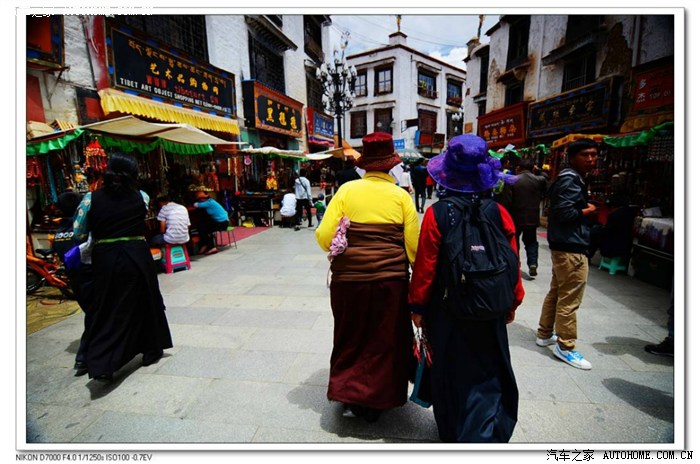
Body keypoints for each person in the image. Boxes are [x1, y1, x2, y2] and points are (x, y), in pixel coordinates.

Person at [408, 134, 524, 443]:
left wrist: (418, 307)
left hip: (448, 311)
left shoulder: (438, 213)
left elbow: (425, 266)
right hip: (491, 307)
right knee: (488, 368)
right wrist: (513, 301)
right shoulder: (499, 212)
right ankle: (488, 431)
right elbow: (512, 261)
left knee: (451, 369)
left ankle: (456, 431)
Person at [315, 132, 419, 423]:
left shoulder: (347, 191)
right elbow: (414, 246)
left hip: (348, 282)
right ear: (391, 164)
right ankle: (377, 399)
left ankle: (349, 396)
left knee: (349, 335)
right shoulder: (401, 196)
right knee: (385, 339)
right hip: (391, 282)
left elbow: (324, 236)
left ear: (365, 164)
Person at [73, 152, 173, 381]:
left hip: (106, 257)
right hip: (138, 255)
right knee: (146, 302)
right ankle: (151, 349)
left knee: (108, 307)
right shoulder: (142, 197)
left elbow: (79, 231)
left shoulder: (90, 199)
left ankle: (103, 362)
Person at [536, 138, 599, 370]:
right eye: (585, 154)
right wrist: (588, 210)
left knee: (557, 291)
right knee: (570, 298)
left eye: (594, 154)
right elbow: (564, 213)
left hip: (563, 245)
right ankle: (565, 346)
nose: (591, 159)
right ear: (572, 158)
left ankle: (544, 333)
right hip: (571, 246)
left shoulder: (567, 178)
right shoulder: (571, 180)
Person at [53, 191, 94, 377]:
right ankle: (83, 357)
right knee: (95, 315)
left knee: (92, 313)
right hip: (89, 277)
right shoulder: (81, 229)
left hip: (75, 280)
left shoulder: (58, 233)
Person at [500, 158, 548, 276]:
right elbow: (546, 178)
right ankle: (532, 263)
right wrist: (539, 170)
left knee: (514, 241)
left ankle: (515, 263)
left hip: (515, 217)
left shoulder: (512, 180)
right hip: (532, 217)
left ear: (518, 168)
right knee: (531, 242)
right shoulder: (539, 180)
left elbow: (506, 201)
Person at [193, 189, 229, 255]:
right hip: (221, 222)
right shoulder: (210, 201)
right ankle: (206, 244)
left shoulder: (209, 203)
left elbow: (196, 205)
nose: (201, 200)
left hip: (222, 223)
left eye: (202, 198)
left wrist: (197, 201)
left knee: (204, 229)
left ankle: (210, 246)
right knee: (203, 226)